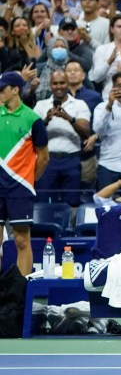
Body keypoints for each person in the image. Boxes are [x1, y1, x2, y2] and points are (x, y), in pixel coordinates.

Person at [0, 72, 48, 275]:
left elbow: (43, 157)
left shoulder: (33, 119)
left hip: (20, 187)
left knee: (21, 240)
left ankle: (21, 292)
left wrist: (30, 180)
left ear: (15, 90)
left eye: (2, 89)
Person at [33, 70, 91, 206]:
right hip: (46, 160)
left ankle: (70, 228)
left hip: (71, 160)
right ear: (50, 85)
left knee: (72, 202)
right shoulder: (40, 105)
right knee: (43, 201)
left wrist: (69, 118)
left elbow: (86, 133)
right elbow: (32, 134)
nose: (59, 86)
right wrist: (46, 120)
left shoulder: (79, 104)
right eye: (55, 83)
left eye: (62, 83)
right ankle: (45, 227)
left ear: (68, 84)